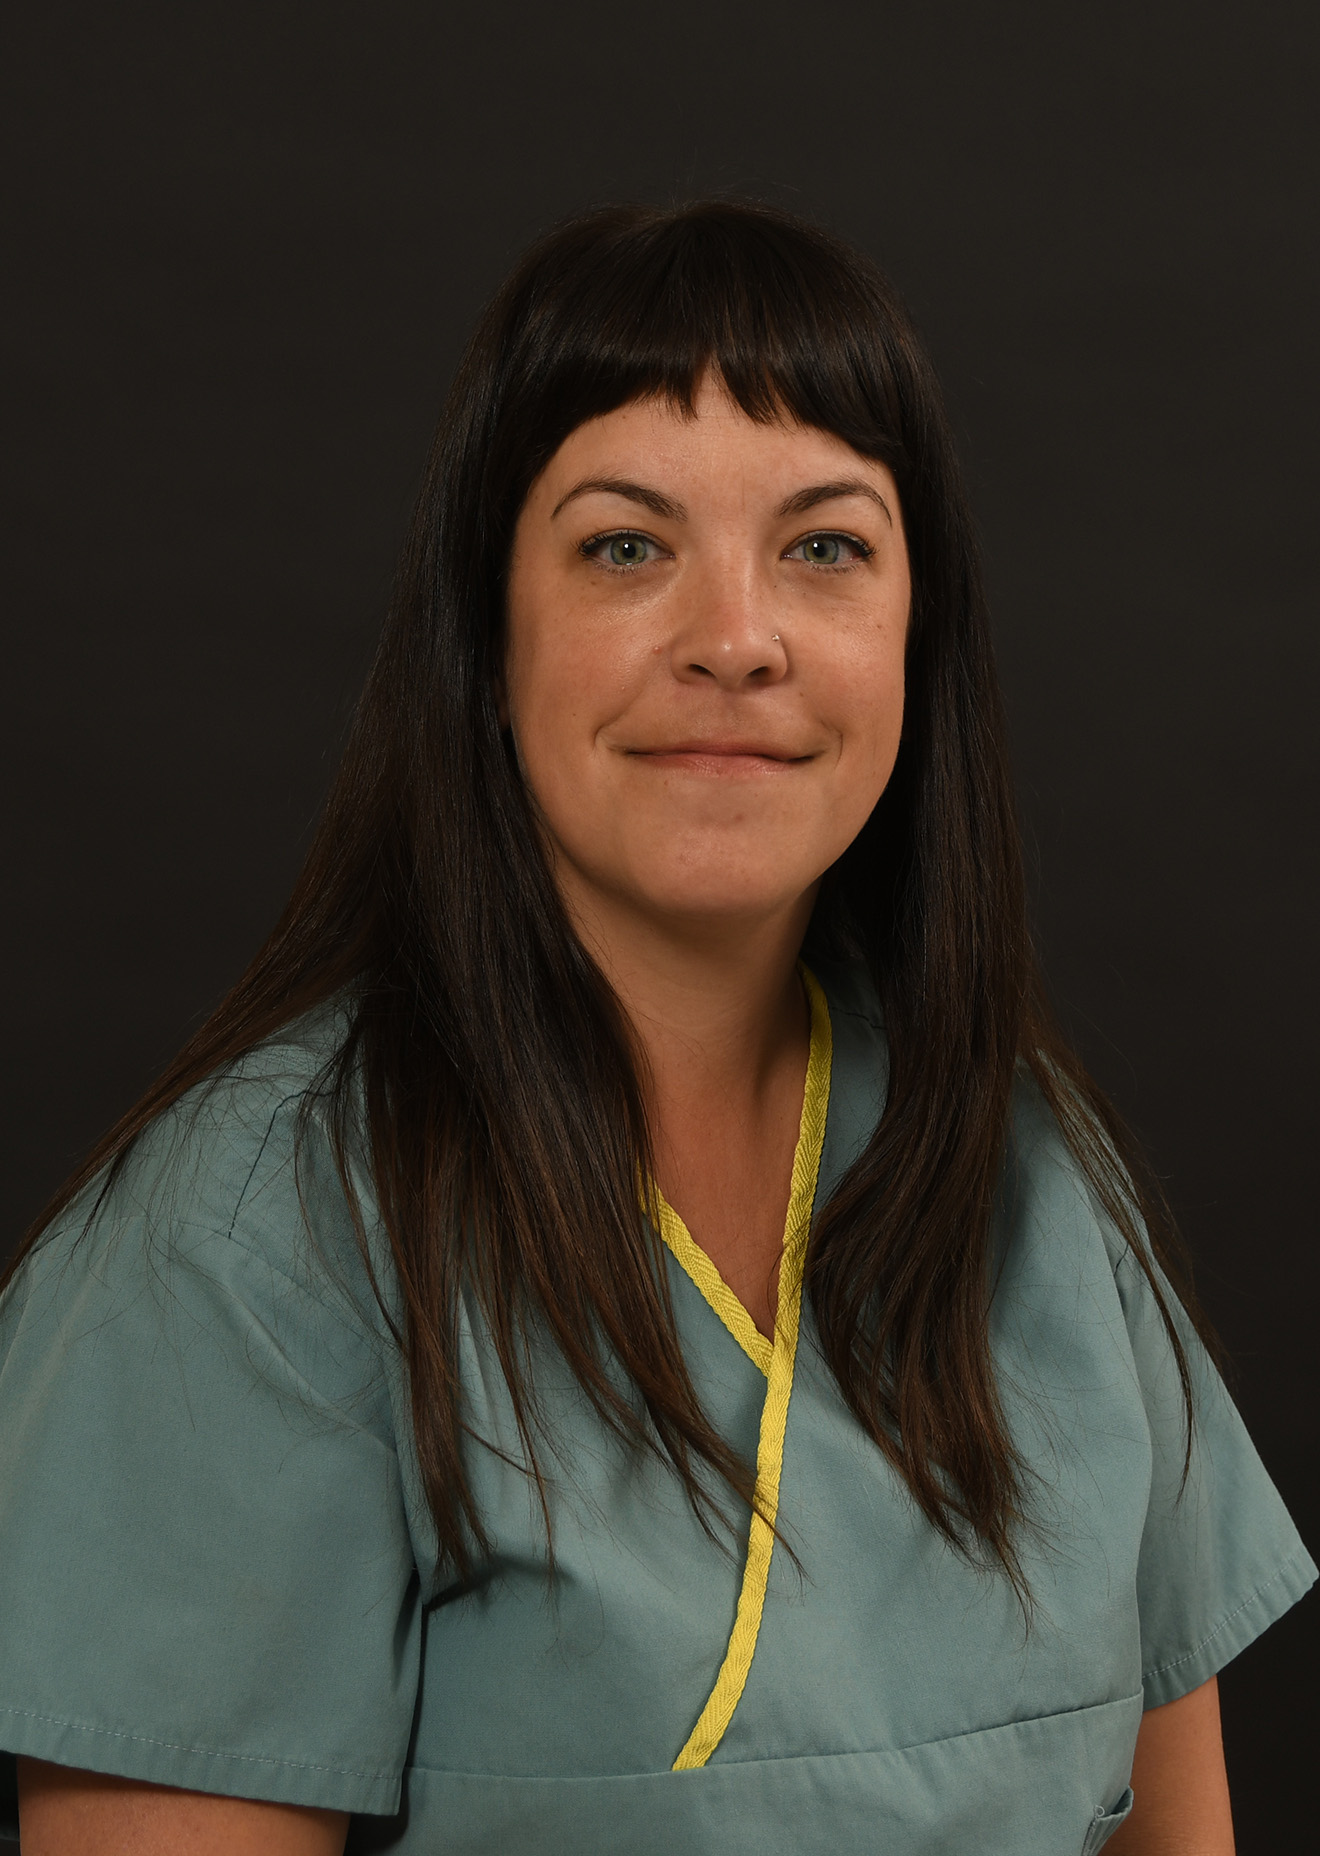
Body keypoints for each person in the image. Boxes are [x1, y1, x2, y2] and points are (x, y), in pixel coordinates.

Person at [0, 200, 1311, 1856]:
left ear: (918, 639)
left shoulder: (1037, 1176)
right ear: (488, 638)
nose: (736, 642)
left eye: (825, 548)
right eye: (627, 547)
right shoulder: (246, 1248)